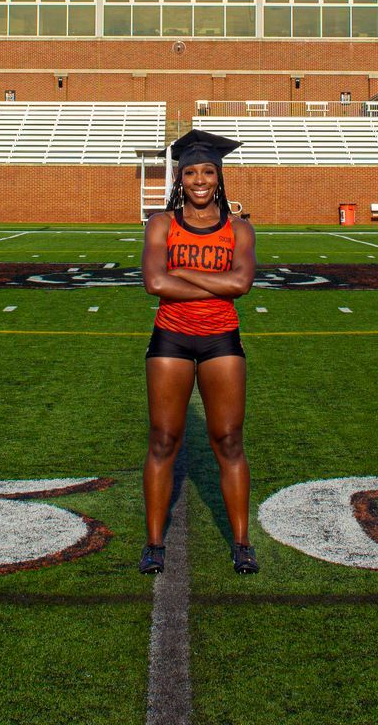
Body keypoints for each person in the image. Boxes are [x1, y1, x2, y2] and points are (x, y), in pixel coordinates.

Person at [139, 129, 259, 576]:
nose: (200, 180)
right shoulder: (161, 224)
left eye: (208, 171)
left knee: (228, 440)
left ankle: (242, 541)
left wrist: (184, 269)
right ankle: (153, 543)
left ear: (219, 176)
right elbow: (154, 282)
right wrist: (215, 284)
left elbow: (242, 284)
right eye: (190, 172)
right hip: (170, 337)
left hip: (220, 339)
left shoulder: (239, 229)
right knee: (163, 439)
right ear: (180, 178)